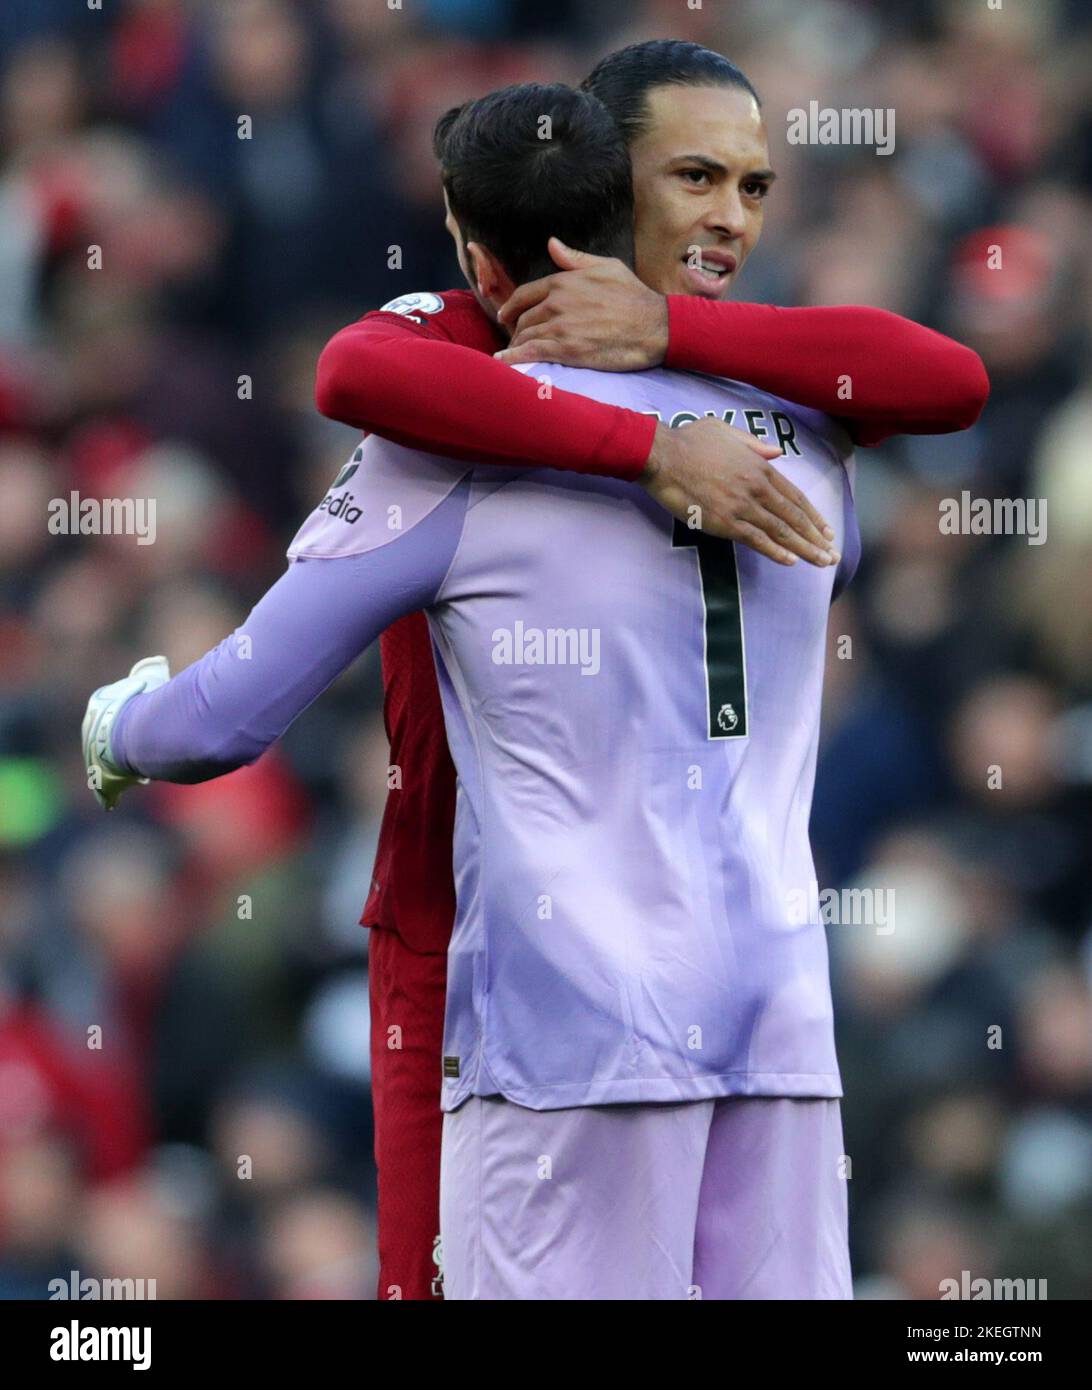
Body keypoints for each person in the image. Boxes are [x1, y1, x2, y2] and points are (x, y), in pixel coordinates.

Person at [89, 76, 863, 1299]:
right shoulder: (804, 429)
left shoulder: (450, 444)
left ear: (477, 251)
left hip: (577, 1027)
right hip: (780, 1015)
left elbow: (224, 716)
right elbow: (932, 378)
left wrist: (116, 723)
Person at [312, 40, 988, 1299]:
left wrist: (673, 330)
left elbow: (951, 377)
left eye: (756, 186)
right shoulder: (472, 326)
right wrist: (646, 445)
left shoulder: (761, 368)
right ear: (598, 179)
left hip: (703, 949)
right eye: (696, 177)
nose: (732, 215)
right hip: (465, 937)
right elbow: (351, 372)